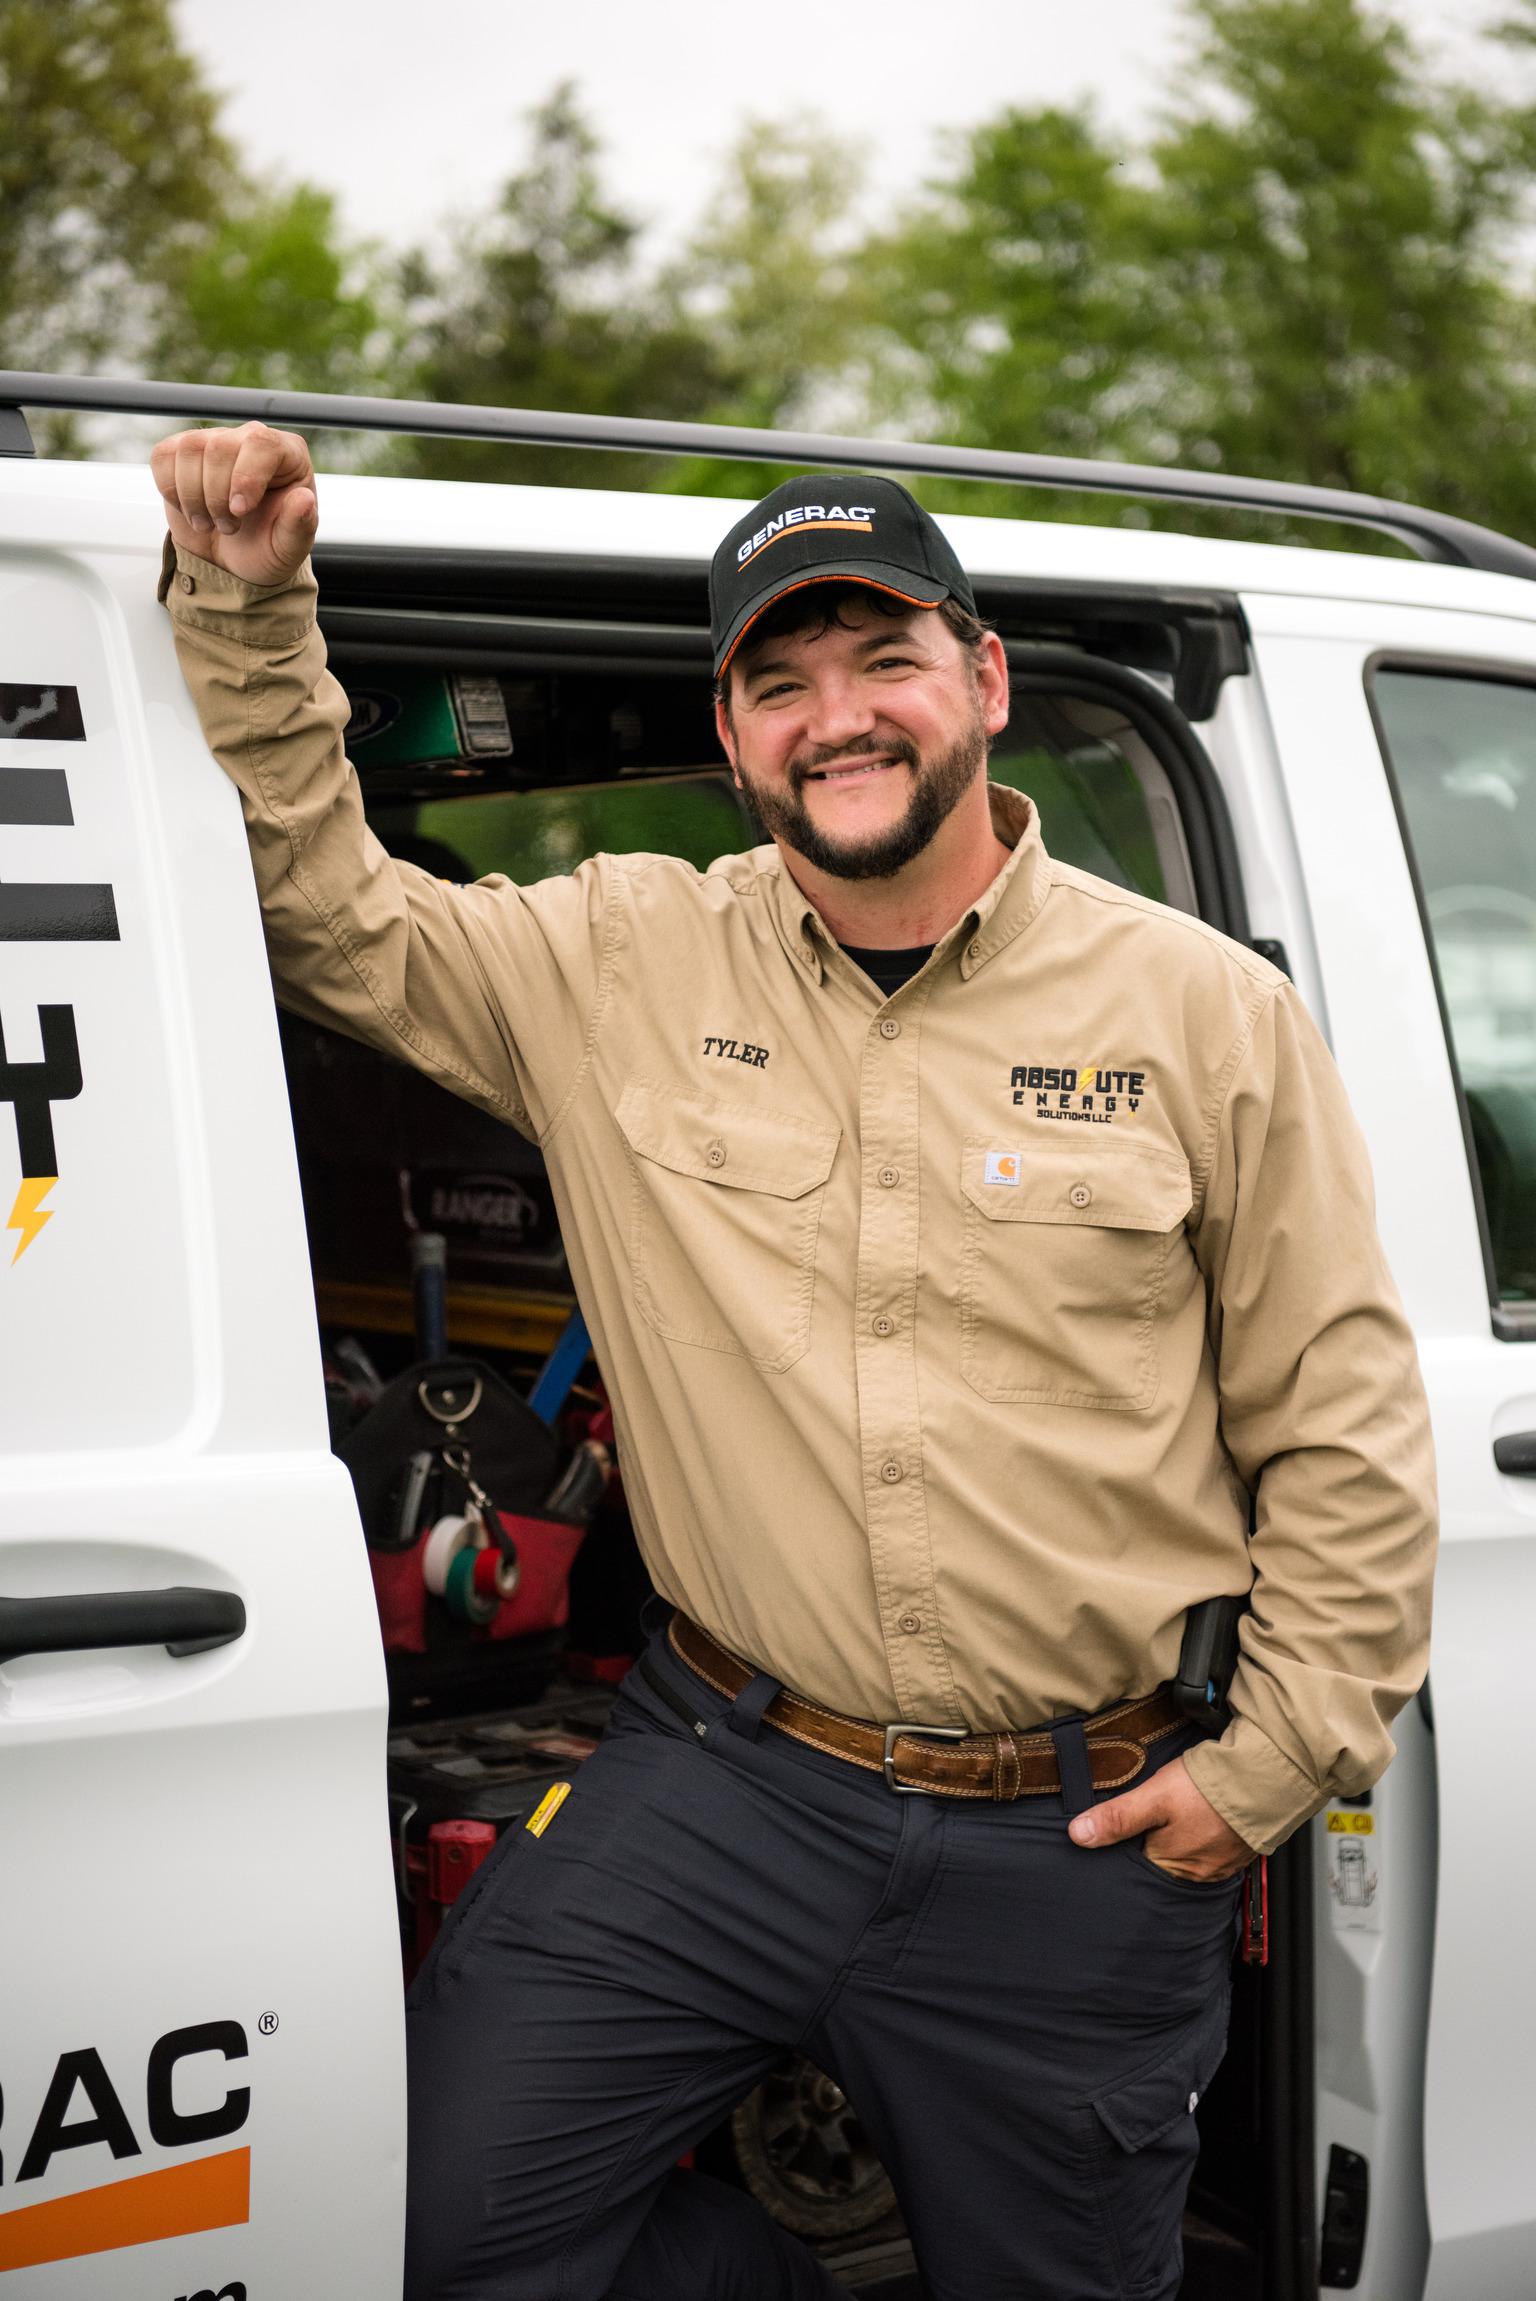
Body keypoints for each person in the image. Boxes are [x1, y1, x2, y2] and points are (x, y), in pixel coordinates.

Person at [152, 422, 1437, 2301]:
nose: (839, 716)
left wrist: (1267, 1770)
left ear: (983, 682)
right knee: (441, 2232)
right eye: (781, 679)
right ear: (737, 731)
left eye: (883, 658)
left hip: (1071, 1836)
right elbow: (327, 910)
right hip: (726, 1780)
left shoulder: (1204, 1014)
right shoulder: (616, 960)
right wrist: (252, 612)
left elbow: (1343, 1419)